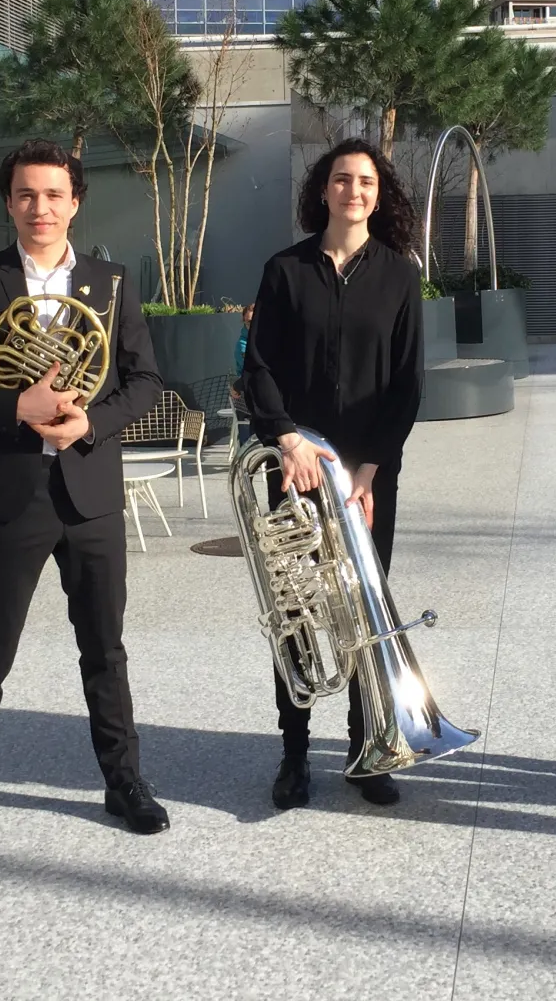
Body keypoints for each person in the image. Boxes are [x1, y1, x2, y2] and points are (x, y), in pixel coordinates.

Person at [0, 139, 168, 879]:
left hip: (88, 491)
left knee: (105, 651)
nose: (40, 208)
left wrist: (92, 421)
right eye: (27, 194)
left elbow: (145, 379)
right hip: (10, 494)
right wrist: (10, 405)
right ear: (9, 201)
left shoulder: (110, 282)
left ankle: (124, 783)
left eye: (54, 195)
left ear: (75, 201)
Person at [240, 138, 425, 810]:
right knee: (296, 610)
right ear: (324, 190)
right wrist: (287, 439)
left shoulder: (400, 275)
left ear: (380, 193)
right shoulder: (285, 271)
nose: (354, 190)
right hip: (298, 468)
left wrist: (372, 468)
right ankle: (293, 753)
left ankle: (366, 748)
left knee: (362, 609)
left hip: (367, 476)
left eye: (366, 181)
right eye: (343, 179)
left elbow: (408, 383)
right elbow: (257, 367)